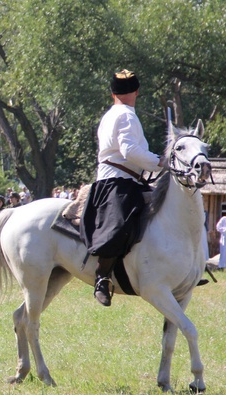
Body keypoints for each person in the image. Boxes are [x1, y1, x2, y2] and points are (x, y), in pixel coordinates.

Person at [80, 69, 165, 306]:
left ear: (112, 93)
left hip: (124, 180)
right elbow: (129, 151)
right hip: (118, 182)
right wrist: (159, 162)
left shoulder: (111, 114)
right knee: (118, 228)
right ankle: (102, 277)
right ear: (137, 91)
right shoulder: (127, 115)